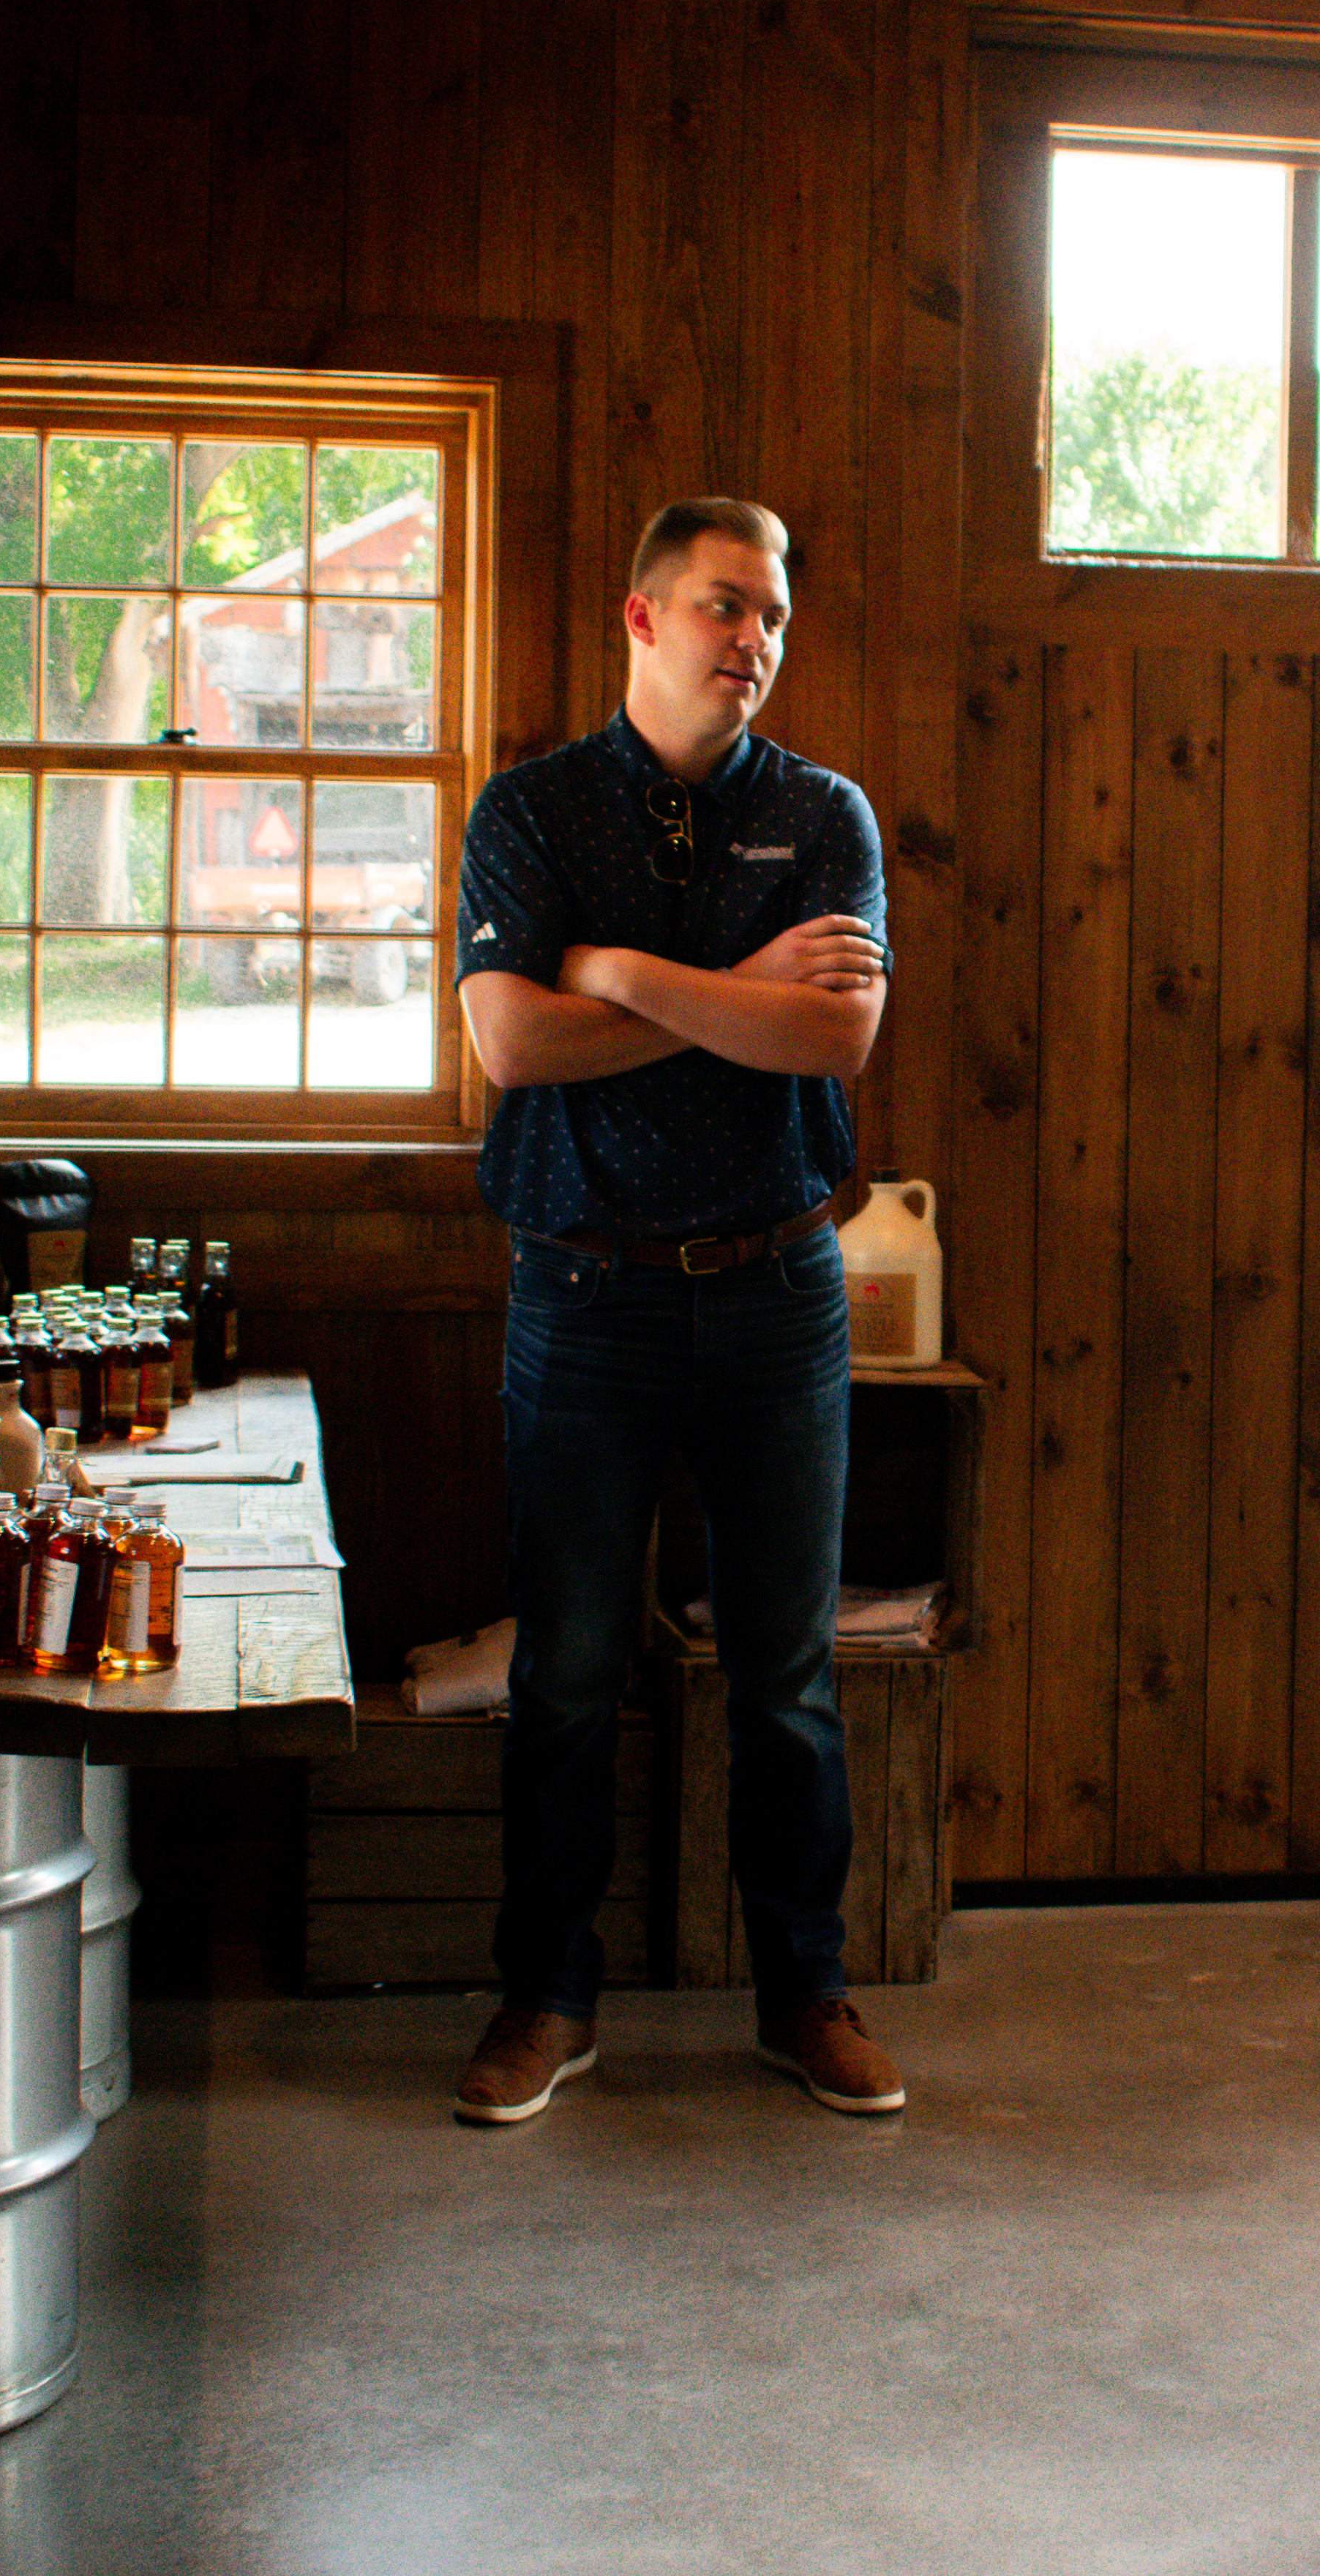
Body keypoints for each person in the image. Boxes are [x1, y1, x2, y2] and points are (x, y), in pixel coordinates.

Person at [445, 497, 906, 2127]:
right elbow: (512, 1045)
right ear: (642, 619)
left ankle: (805, 1992)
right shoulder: (534, 811)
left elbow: (834, 1042)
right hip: (583, 1289)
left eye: (772, 615)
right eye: (723, 606)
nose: (753, 640)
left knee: (786, 1669)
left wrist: (628, 979)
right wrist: (739, 1002)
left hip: (779, 1284)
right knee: (566, 1668)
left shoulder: (824, 813)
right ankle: (545, 1998)